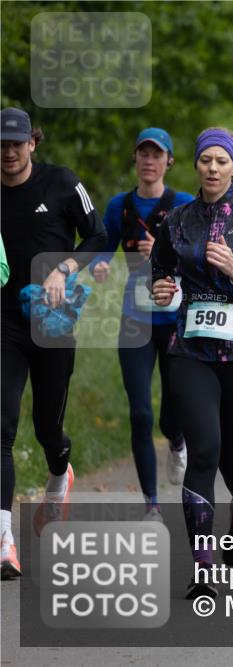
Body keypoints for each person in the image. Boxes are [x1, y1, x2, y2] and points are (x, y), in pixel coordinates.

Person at [150, 128, 233, 598]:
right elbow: (161, 269)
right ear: (195, 165)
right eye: (204, 160)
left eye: (219, 161)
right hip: (192, 350)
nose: (211, 168)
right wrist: (162, 288)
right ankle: (204, 569)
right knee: (203, 452)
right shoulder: (177, 219)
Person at [1, 108, 107, 579]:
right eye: (2, 144)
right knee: (1, 428)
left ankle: (59, 474)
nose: (9, 152)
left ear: (33, 144)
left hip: (52, 322)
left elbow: (99, 236)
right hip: (3, 323)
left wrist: (65, 268)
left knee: (48, 429)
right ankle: (4, 541)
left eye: (17, 143)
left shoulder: (61, 183)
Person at [90, 129, 195, 521]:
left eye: (157, 155)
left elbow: (197, 256)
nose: (149, 161)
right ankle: (151, 503)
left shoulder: (183, 204)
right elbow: (102, 248)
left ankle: (177, 439)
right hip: (134, 319)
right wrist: (99, 265)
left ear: (168, 161)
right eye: (143, 154)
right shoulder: (120, 206)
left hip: (174, 320)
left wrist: (165, 251)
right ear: (135, 160)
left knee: (171, 415)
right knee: (139, 414)